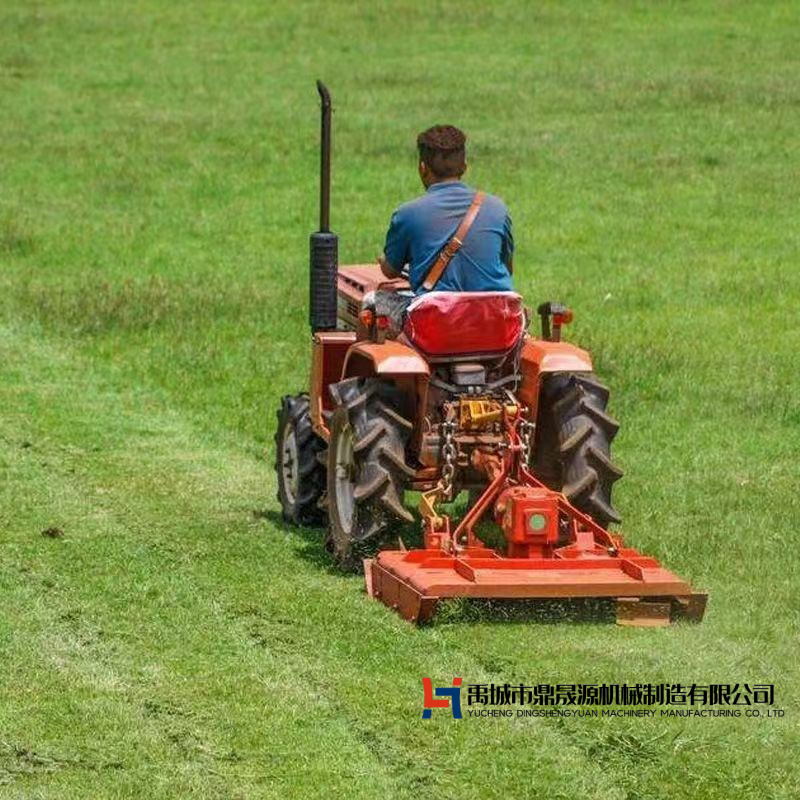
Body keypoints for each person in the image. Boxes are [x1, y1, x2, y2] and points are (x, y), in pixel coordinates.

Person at [371, 125, 514, 335]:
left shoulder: (407, 214)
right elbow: (507, 267)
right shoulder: (497, 208)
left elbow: (390, 271)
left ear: (422, 167)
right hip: (496, 322)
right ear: (464, 166)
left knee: (370, 302)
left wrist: (385, 260)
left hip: (437, 326)